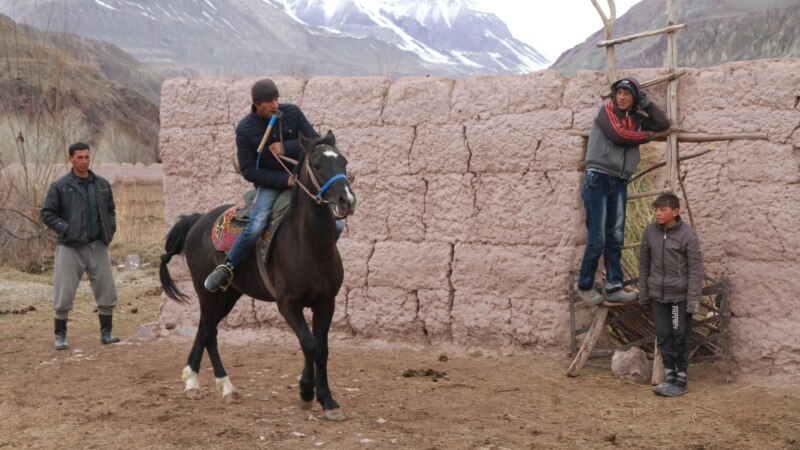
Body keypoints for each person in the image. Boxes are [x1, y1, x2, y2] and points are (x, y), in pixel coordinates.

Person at [205, 78, 343, 292]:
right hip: (270, 185)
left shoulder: (293, 113)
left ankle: (320, 262)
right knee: (257, 224)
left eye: (276, 99)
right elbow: (249, 170)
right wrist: (283, 180)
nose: (274, 105)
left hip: (300, 182)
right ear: (257, 104)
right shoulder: (245, 129)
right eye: (268, 101)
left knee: (337, 224)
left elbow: (315, 141)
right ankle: (227, 267)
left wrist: (286, 147)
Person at [577, 77, 670, 305]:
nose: (621, 97)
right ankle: (585, 285)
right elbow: (619, 135)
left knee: (616, 236)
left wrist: (646, 105)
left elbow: (662, 124)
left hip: (619, 180)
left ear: (634, 98)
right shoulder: (606, 111)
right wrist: (647, 137)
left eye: (627, 94)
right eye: (618, 92)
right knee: (598, 238)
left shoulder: (636, 119)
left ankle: (613, 286)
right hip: (597, 178)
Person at [41, 142, 120, 350]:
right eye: (79, 158)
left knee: (106, 289)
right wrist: (66, 229)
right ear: (70, 159)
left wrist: (110, 229)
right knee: (63, 292)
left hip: (97, 244)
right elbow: (47, 213)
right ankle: (60, 335)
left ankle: (107, 333)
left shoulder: (102, 184)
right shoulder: (60, 186)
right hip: (70, 246)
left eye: (87, 157)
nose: (84, 161)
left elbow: (111, 210)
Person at [639, 193, 703, 397]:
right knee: (664, 335)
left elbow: (695, 270)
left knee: (679, 335)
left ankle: (682, 378)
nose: (658, 213)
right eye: (656, 209)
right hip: (658, 295)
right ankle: (670, 376)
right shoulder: (650, 232)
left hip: (678, 298)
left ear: (676, 212)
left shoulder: (688, 235)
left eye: (663, 209)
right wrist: (644, 293)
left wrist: (692, 300)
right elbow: (644, 265)